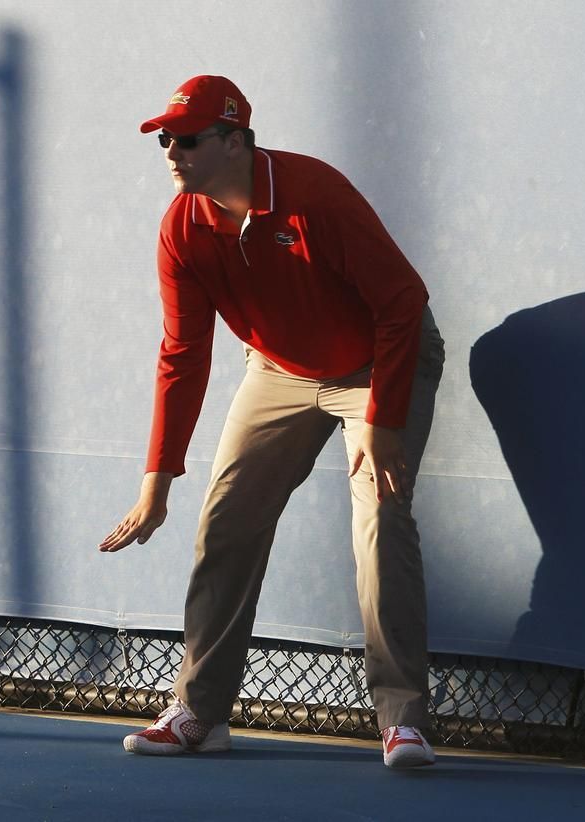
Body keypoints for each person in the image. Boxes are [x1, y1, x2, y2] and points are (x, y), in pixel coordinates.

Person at [98, 75, 443, 768]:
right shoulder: (183, 228)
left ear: (233, 141)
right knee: (226, 521)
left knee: (381, 514)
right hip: (279, 371)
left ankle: (403, 720)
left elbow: (403, 301)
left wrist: (381, 420)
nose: (171, 152)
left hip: (379, 361)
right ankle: (200, 711)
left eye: (187, 140)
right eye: (165, 140)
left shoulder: (316, 197)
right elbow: (182, 355)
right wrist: (157, 481)